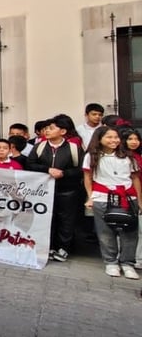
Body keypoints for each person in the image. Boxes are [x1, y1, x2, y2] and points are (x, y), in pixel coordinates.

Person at [82, 126, 140, 278]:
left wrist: (140, 200)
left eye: (116, 137)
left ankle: (128, 263)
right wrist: (90, 197)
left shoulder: (128, 156)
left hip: (127, 197)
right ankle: (111, 262)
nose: (113, 140)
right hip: (102, 196)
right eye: (109, 137)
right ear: (99, 138)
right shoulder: (92, 156)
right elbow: (87, 177)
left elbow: (134, 178)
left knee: (130, 231)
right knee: (105, 231)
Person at [25, 117, 84, 263]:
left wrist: (64, 173)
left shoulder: (73, 148)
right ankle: (48, 246)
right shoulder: (39, 147)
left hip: (67, 191)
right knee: (47, 218)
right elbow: (30, 164)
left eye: (51, 128)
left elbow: (80, 169)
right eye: (46, 128)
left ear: (62, 131)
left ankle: (63, 248)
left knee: (66, 220)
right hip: (44, 191)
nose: (47, 131)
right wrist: (47, 169)